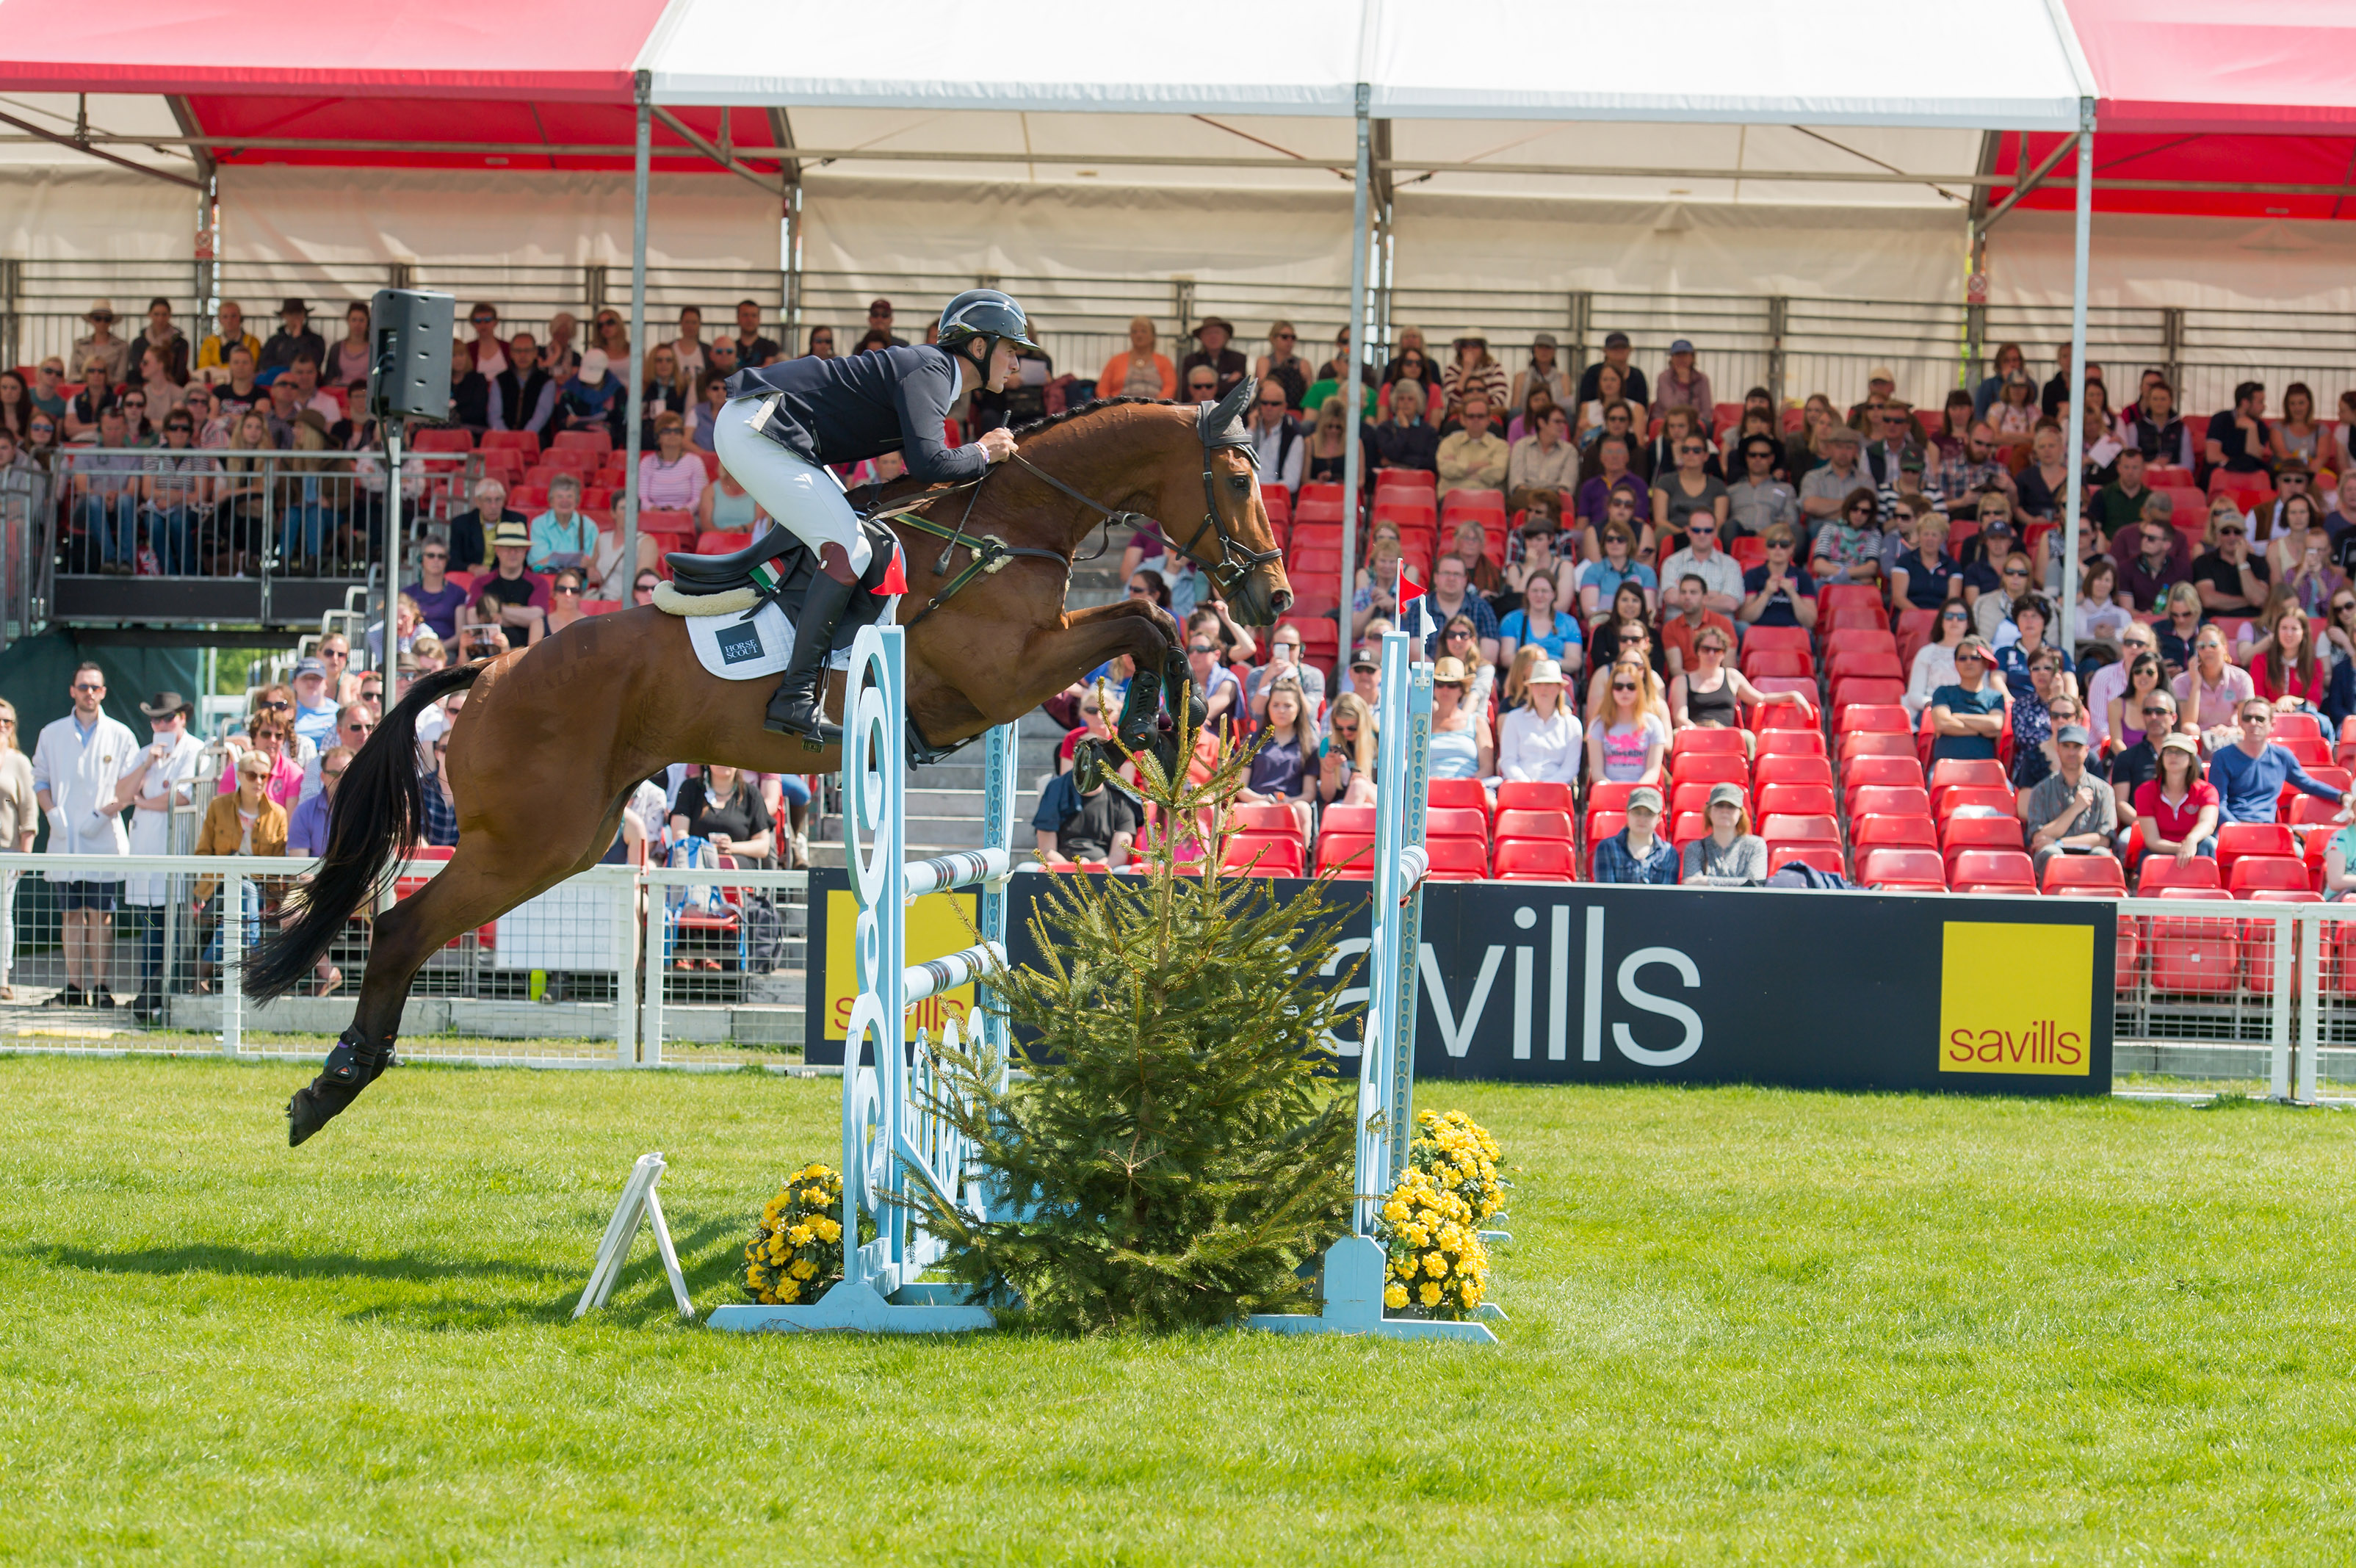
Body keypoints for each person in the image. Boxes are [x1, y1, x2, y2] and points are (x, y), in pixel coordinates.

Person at [716, 289, 1036, 740]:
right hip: (760, 425)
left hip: (772, 428)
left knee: (855, 530)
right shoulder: (931, 369)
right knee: (850, 546)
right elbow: (929, 465)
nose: (1017, 364)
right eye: (1011, 350)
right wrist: (984, 450)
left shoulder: (933, 373)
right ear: (979, 347)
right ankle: (796, 694)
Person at [33, 664, 137, 1008]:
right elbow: (41, 780)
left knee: (101, 914)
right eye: (83, 687)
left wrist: (104, 814)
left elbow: (129, 787)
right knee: (71, 915)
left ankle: (102, 986)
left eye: (95, 687)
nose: (89, 692)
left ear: (103, 692)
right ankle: (76, 987)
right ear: (72, 691)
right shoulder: (52, 733)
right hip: (65, 840)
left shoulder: (121, 735)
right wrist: (51, 813)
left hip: (103, 837)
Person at [2209, 698, 2353, 824]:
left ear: (2272, 725)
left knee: (2298, 850)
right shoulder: (2222, 757)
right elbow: (2218, 805)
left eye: (2260, 719)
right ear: (2240, 723)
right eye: (2248, 718)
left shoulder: (2282, 756)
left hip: (2267, 830)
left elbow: (2307, 784)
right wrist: (2238, 830)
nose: (2253, 723)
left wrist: (2340, 796)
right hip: (2231, 827)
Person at [2019, 726, 2118, 878]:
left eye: (2077, 747)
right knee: (2051, 853)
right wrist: (2076, 808)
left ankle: (2096, 900)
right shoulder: (2041, 790)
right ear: (2058, 749)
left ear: (2086, 751)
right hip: (2054, 853)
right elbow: (2038, 838)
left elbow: (2104, 840)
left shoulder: (2104, 791)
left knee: (2102, 855)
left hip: (2088, 851)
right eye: (2066, 746)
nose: (2071, 752)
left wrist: (2059, 842)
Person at [1237, 679, 1318, 844]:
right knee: (1253, 809)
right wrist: (1264, 800)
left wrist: (1288, 802)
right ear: (1268, 708)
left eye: (1287, 705)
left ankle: (1301, 863)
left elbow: (1309, 793)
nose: (1281, 710)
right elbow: (1240, 787)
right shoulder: (1253, 740)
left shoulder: (1309, 745)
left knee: (1303, 809)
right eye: (1276, 705)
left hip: (1292, 804)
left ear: (1298, 708)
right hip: (1258, 802)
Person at [1030, 750, 1142, 868]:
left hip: (1105, 870)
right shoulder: (1055, 794)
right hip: (1061, 868)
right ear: (1075, 760)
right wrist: (1073, 869)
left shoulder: (1121, 799)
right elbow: (1047, 849)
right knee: (1026, 868)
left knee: (1123, 871)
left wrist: (1094, 868)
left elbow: (1119, 855)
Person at [460, 521, 551, 653]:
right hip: (487, 653)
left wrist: (494, 612)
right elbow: (473, 617)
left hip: (523, 654)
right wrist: (519, 617)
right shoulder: (480, 582)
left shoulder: (538, 583)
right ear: (497, 550)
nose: (512, 553)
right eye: (507, 548)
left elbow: (536, 617)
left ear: (525, 552)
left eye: (518, 548)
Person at [2135, 733, 2219, 867]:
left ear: (2191, 760)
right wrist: (2182, 848)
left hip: (2196, 846)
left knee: (2207, 844)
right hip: (2158, 850)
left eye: (2179, 752)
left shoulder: (2206, 791)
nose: (2173, 756)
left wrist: (2192, 839)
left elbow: (2208, 824)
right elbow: (2152, 840)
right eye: (2168, 752)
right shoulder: (2145, 791)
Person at [1497, 657, 1580, 784]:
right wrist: (1527, 784)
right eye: (1538, 684)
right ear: (1530, 688)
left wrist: (1546, 787)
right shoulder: (1514, 718)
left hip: (1557, 793)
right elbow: (1508, 761)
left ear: (1559, 688)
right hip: (1520, 790)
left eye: (1549, 684)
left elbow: (1570, 768)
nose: (1543, 689)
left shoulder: (1572, 724)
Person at [1587, 657, 1669, 785]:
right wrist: (1613, 790)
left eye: (1631, 686)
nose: (1625, 691)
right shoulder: (1598, 724)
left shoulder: (1653, 724)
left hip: (1642, 792)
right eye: (1618, 686)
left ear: (1640, 690)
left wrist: (1635, 792)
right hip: (1607, 791)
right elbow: (1597, 773)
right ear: (1611, 690)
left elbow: (1653, 771)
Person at [1928, 637, 2005, 765]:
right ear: (1956, 663)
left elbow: (1995, 724)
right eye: (1963, 658)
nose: (1969, 662)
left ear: (1986, 662)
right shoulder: (1942, 692)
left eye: (1975, 658)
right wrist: (1981, 731)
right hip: (1945, 766)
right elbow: (1942, 723)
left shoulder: (1996, 697)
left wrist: (1957, 717)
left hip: (1986, 767)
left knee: (2007, 786)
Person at [2174, 625, 2255, 745]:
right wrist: (2196, 683)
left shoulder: (2241, 678)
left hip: (2230, 738)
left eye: (2213, 645)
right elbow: (2187, 723)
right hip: (2197, 742)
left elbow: (2247, 722)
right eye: (2201, 647)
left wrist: (2231, 731)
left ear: (2225, 648)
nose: (2207, 650)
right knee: (2190, 728)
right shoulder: (2181, 682)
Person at [0, 700, 32, 1001]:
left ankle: (2, 977)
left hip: (6, 851)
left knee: (2, 916)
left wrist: (26, 851)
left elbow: (28, 810)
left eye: (7, 721)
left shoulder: (18, 761)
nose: (1, 725)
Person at [1681, 781, 1767, 886]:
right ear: (1709, 811)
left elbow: (1755, 884)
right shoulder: (1695, 848)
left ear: (1740, 813)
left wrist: (1708, 881)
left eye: (1731, 806)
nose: (1725, 811)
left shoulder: (1755, 845)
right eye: (1719, 805)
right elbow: (1691, 885)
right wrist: (1740, 883)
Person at [2248, 598, 2327, 712]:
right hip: (2268, 719)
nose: (2288, 634)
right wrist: (2280, 706)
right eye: (2284, 628)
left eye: (2294, 629)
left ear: (2303, 633)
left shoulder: (2314, 664)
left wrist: (2289, 700)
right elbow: (2258, 700)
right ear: (2277, 631)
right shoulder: (2260, 661)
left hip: (2302, 720)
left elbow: (2314, 704)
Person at [1592, 784, 1677, 885]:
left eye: (1649, 814)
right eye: (1637, 812)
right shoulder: (1607, 848)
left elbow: (1667, 897)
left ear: (1659, 818)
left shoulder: (1669, 853)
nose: (1642, 819)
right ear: (1627, 813)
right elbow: (1606, 895)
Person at [1659, 573, 1738, 680]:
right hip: (1686, 683)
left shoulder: (1724, 624)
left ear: (1705, 598)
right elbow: (1675, 669)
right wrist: (1697, 685)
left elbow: (1728, 667)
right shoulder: (1670, 628)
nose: (1687, 597)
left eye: (1693, 593)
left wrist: (1711, 686)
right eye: (1683, 592)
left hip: (1718, 682)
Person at [1905, 603, 1978, 720]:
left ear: (1969, 623)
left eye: (1961, 617)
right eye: (1949, 616)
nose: (1955, 620)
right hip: (1932, 711)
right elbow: (1914, 695)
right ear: (1941, 621)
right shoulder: (1926, 653)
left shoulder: (1978, 654)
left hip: (1970, 710)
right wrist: (1937, 704)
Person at [1244, 624, 1327, 724]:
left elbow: (1309, 716)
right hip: (1267, 733)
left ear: (1300, 649)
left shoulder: (1313, 675)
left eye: (1291, 646)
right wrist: (1266, 678)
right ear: (1272, 647)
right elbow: (1256, 715)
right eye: (1280, 646)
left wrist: (1295, 681)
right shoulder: (1257, 675)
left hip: (1302, 734)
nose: (1287, 651)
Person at [1426, 657, 1494, 781]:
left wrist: (1464, 782)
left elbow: (1487, 768)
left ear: (1462, 690)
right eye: (1440, 684)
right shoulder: (1422, 723)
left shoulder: (1477, 723)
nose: (1445, 690)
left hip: (1468, 789)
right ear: (1434, 688)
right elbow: (1408, 760)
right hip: (1428, 790)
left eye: (1452, 685)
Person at [1435, 394, 1507, 497]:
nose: (1476, 420)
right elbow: (1446, 469)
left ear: (1488, 420)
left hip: (1488, 500)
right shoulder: (1449, 442)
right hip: (1452, 500)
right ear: (1463, 420)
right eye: (1471, 416)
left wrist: (1460, 468)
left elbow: (1498, 474)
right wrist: (1481, 466)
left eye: (1481, 416)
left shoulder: (1501, 446)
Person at [527, 472, 597, 574]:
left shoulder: (589, 526)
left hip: (579, 581)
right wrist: (577, 561)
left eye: (569, 496)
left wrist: (553, 560)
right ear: (551, 501)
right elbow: (539, 561)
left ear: (577, 501)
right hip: (547, 579)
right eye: (560, 496)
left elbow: (592, 561)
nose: (565, 501)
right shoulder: (539, 524)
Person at [1246, 378, 1304, 494]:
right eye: (1265, 403)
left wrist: (1267, 491)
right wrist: (1251, 429)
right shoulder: (1250, 428)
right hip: (1249, 492)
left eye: (1275, 404)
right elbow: (1239, 458)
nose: (1269, 407)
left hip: (1276, 494)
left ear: (1284, 407)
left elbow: (1292, 482)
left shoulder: (1293, 435)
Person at [405, 539, 467, 643]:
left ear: (447, 561)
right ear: (421, 559)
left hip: (446, 652)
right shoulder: (407, 594)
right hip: (413, 651)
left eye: (441, 556)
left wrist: (439, 650)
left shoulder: (458, 593)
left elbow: (460, 635)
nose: (436, 560)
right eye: (431, 555)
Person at [2205, 380, 2272, 475]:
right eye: (2260, 402)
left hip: (2249, 479)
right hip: (2222, 475)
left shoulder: (2261, 427)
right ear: (2245, 403)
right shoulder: (2221, 419)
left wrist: (2252, 429)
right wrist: (2237, 466)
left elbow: (2255, 460)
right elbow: (2212, 456)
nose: (2264, 407)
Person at [259, 297, 326, 377]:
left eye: (299, 314)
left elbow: (315, 361)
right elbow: (264, 363)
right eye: (291, 314)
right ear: (284, 316)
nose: (295, 318)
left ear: (304, 315)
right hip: (280, 382)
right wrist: (287, 368)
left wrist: (298, 340)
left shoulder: (315, 340)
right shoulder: (275, 340)